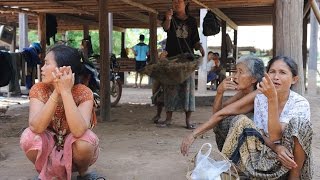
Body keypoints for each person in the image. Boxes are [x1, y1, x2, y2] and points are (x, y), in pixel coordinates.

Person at [181, 56, 313, 179]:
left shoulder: (299, 103)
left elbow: (276, 136)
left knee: (300, 124)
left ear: (294, 79)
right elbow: (222, 113)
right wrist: (220, 92)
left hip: (289, 159)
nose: (276, 77)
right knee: (237, 120)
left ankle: (294, 178)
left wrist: (272, 99)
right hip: (266, 152)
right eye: (272, 71)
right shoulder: (260, 97)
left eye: (282, 73)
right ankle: (238, 169)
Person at [20, 45, 105, 180]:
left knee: (85, 141)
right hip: (49, 144)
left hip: (74, 147)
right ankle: (47, 172)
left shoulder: (84, 92)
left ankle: (83, 173)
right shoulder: (39, 89)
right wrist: (56, 92)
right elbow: (36, 127)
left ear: (63, 69)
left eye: (47, 64)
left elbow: (78, 131)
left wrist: (65, 92)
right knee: (29, 137)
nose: (42, 68)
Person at [157, 0, 205, 129]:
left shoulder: (192, 21)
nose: (176, 3)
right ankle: (168, 119)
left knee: (188, 90)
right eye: (174, 1)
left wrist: (200, 47)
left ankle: (188, 121)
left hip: (187, 60)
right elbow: (166, 28)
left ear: (185, 4)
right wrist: (168, 18)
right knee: (170, 88)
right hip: (172, 59)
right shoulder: (170, 18)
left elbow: (195, 40)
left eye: (179, 1)